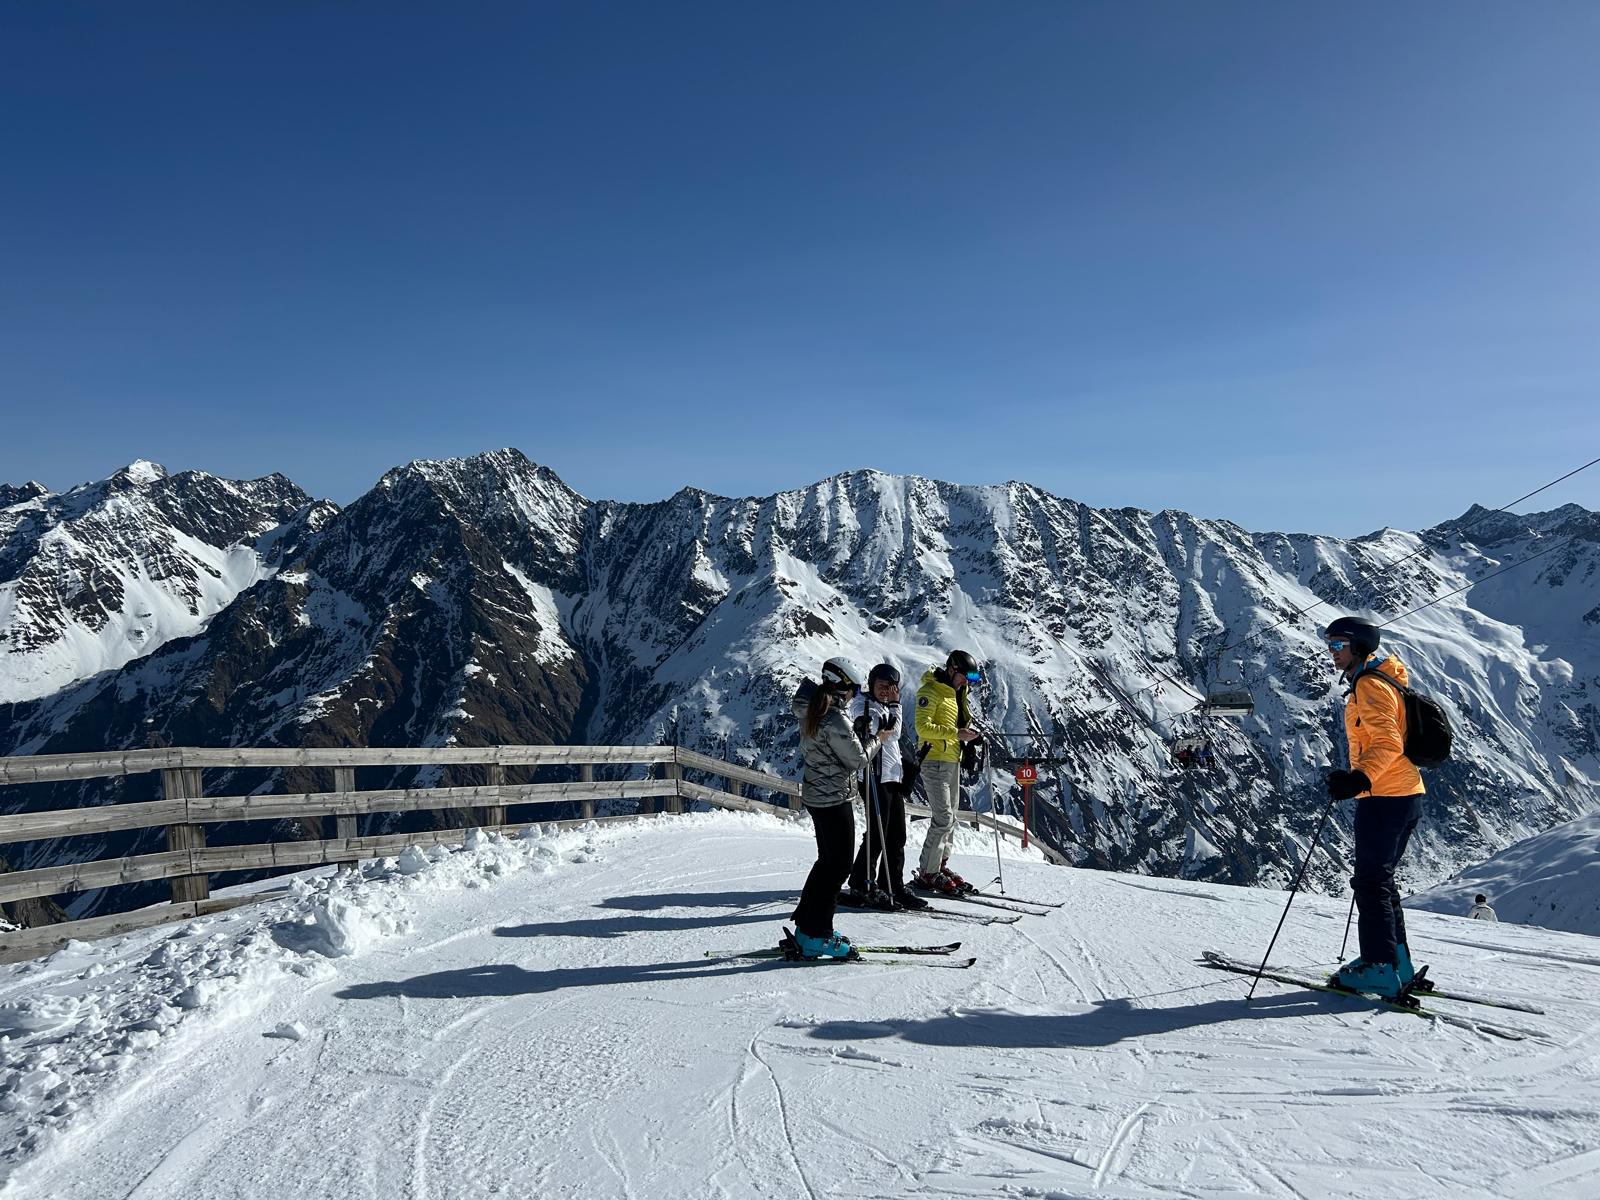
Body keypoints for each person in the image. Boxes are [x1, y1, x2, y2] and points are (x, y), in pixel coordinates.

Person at [1322, 616, 1427, 999]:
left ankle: (1380, 968)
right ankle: (1397, 963)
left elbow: (1387, 742)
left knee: (1370, 883)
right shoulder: (1380, 679)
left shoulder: (1369, 684)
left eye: (1338, 645)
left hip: (1385, 796)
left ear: (1359, 646)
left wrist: (1359, 778)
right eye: (1330, 645)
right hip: (1402, 793)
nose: (1332, 652)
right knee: (1380, 882)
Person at [789, 658, 893, 959]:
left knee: (827, 862)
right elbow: (858, 760)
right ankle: (817, 934)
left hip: (817, 795)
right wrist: (877, 739)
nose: (854, 696)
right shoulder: (834, 718)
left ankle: (807, 927)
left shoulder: (811, 708)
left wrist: (856, 736)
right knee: (838, 867)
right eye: (854, 690)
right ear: (842, 687)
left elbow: (834, 749)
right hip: (834, 798)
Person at [844, 664, 930, 912]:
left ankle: (892, 884)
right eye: (882, 686)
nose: (886, 691)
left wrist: (893, 706)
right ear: (871, 684)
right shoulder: (863, 705)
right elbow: (886, 733)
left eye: (892, 687)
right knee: (877, 834)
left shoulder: (884, 706)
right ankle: (862, 883)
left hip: (891, 776)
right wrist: (894, 706)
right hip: (874, 776)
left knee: (896, 835)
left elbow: (893, 734)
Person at [910, 649, 983, 895]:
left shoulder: (956, 694)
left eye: (972, 679)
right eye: (966, 677)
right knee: (942, 818)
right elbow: (922, 728)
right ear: (951, 670)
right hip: (934, 760)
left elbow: (956, 726)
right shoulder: (930, 691)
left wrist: (969, 740)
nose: (968, 682)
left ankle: (939, 865)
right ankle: (927, 872)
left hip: (951, 761)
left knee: (950, 818)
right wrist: (957, 734)